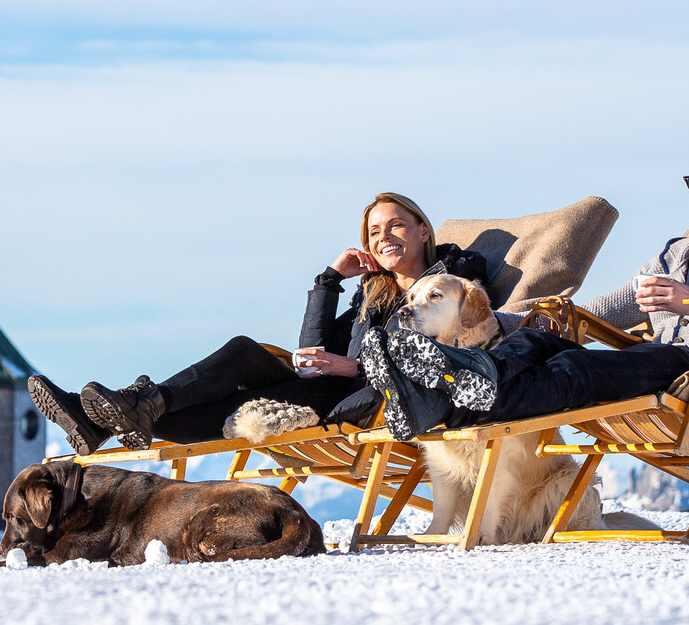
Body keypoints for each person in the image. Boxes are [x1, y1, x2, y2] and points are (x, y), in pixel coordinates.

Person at [360, 131, 689, 439]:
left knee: (576, 371)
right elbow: (599, 312)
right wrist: (503, 319)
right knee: (548, 341)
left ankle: (443, 398)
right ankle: (459, 379)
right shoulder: (676, 254)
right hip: (663, 364)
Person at [27, 192, 491, 453]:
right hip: (326, 384)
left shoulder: (452, 280)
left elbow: (442, 354)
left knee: (241, 398)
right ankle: (122, 412)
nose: (384, 237)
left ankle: (109, 419)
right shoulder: (377, 292)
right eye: (374, 231)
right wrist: (329, 281)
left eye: (396, 225)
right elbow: (310, 350)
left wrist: (351, 370)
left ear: (424, 230)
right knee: (244, 351)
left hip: (363, 396)